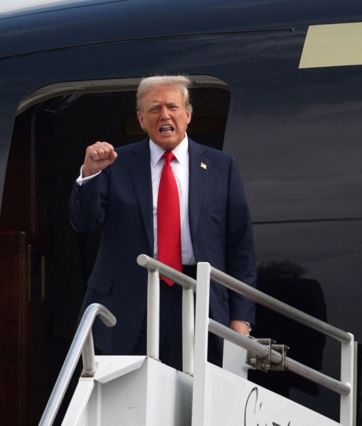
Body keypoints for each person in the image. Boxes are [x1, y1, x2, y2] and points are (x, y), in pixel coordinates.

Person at [69, 75, 255, 369]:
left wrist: (241, 318)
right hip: (130, 303)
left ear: (188, 114)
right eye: (154, 109)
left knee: (195, 404)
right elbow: (84, 222)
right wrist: (90, 173)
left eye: (172, 106)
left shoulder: (222, 167)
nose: (164, 115)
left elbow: (240, 246)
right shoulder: (116, 163)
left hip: (198, 300)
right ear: (141, 119)